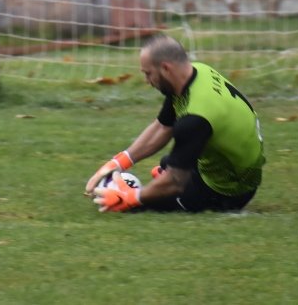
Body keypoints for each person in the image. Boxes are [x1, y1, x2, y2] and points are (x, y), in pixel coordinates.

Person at [86, 34, 265, 213]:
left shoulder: (196, 119)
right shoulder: (196, 72)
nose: (147, 81)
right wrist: (118, 162)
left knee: (138, 204)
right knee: (170, 161)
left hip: (229, 189)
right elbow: (163, 126)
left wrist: (132, 197)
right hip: (229, 164)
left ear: (165, 69)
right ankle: (170, 176)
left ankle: (175, 186)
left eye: (148, 73)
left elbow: (175, 183)